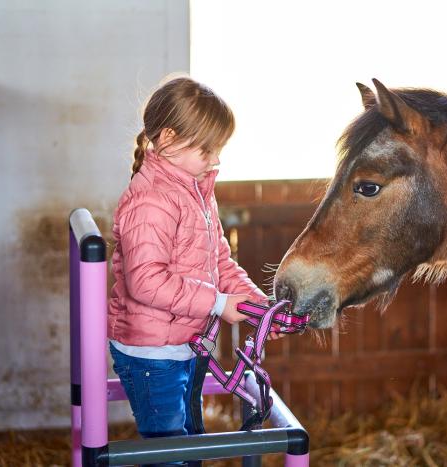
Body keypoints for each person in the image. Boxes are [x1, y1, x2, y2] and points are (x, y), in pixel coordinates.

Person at [107, 75, 281, 464]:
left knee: (190, 444)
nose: (216, 159)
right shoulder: (151, 202)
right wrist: (219, 303)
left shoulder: (196, 190)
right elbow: (146, 283)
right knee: (170, 452)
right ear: (168, 139)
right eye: (208, 149)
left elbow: (220, 258)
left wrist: (256, 303)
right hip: (151, 353)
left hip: (185, 342)